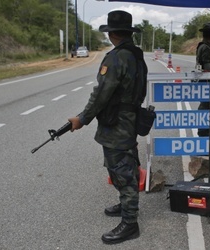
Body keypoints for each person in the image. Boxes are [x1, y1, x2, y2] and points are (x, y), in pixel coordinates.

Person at [67, 10, 147, 245]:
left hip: (117, 122)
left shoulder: (116, 58)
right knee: (128, 162)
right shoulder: (136, 54)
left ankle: (130, 222)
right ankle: (126, 205)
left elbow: (101, 94)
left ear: (111, 34)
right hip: (130, 119)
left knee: (121, 169)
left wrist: (82, 118)